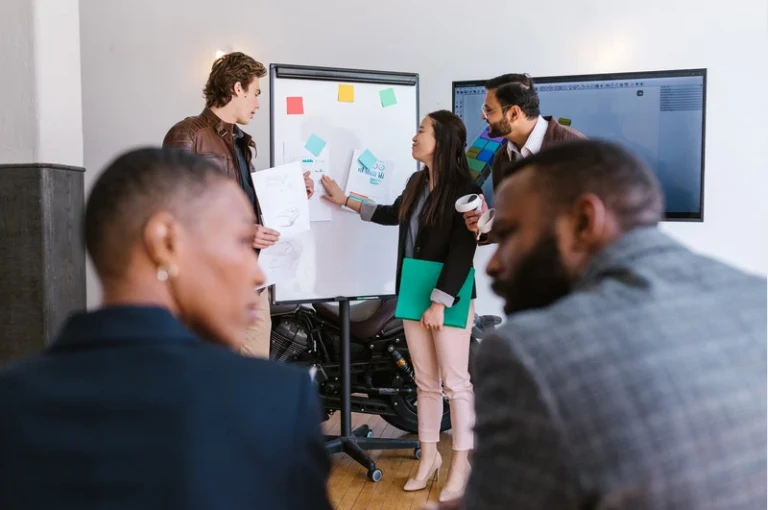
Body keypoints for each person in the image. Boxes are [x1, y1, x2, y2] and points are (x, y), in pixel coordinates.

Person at [0, 148, 332, 510]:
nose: (256, 272)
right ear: (165, 241)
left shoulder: (13, 400)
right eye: (241, 241)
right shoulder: (276, 402)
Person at [452, 139, 765, 510]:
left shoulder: (530, 352)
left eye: (509, 234)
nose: (493, 264)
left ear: (584, 222)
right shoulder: (756, 297)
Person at [321, 110, 480, 502]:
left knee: (456, 384)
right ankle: (429, 459)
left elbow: (465, 248)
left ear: (441, 141)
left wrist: (441, 302)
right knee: (425, 383)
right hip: (412, 289)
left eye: (422, 131)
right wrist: (347, 201)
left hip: (449, 293)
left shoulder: (464, 186)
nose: (415, 136)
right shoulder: (417, 181)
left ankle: (461, 463)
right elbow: (394, 214)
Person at [162, 51, 314, 359]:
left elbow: (248, 205)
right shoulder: (187, 134)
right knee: (210, 381)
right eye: (255, 93)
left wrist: (294, 192)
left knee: (252, 383)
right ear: (237, 88)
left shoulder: (242, 145)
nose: (258, 103)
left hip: (251, 284)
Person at [463, 73, 585, 241]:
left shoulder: (574, 149)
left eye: (488, 110)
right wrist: (488, 224)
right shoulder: (502, 158)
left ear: (514, 113)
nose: (483, 116)